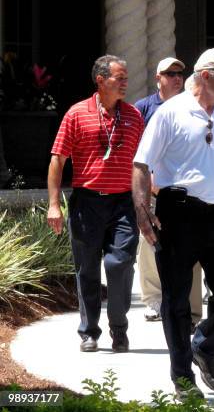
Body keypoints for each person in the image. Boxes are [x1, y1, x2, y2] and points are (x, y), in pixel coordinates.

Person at [132, 48, 214, 398]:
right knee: (177, 299)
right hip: (178, 212)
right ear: (205, 76)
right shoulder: (170, 113)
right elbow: (141, 165)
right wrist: (143, 211)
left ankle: (205, 347)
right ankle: (183, 378)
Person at [46, 55, 144, 353]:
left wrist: (147, 202)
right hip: (86, 203)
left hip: (122, 203)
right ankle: (89, 332)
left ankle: (119, 326)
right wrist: (53, 204)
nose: (125, 82)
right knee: (87, 270)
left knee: (120, 263)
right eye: (119, 78)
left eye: (126, 77)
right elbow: (57, 159)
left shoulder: (133, 116)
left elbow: (143, 163)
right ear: (100, 80)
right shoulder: (76, 114)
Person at [133, 57, 204, 326]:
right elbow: (138, 152)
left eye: (180, 73)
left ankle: (190, 302)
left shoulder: (195, 106)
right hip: (153, 188)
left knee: (190, 246)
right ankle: (153, 299)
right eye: (170, 73)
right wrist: (146, 184)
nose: (176, 77)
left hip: (184, 190)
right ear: (158, 77)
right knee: (149, 242)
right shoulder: (144, 108)